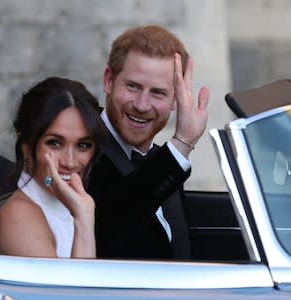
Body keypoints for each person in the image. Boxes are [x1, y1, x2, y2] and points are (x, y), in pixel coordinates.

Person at [88, 25, 210, 259]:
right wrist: (182, 143)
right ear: (108, 81)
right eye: (132, 86)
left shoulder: (162, 160)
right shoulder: (81, 148)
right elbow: (111, 228)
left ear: (176, 99)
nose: (142, 105)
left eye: (158, 93)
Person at [0, 77, 105, 258]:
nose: (70, 162)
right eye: (55, 143)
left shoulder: (68, 206)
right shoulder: (20, 217)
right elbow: (75, 287)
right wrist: (83, 219)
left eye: (83, 145)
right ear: (25, 146)